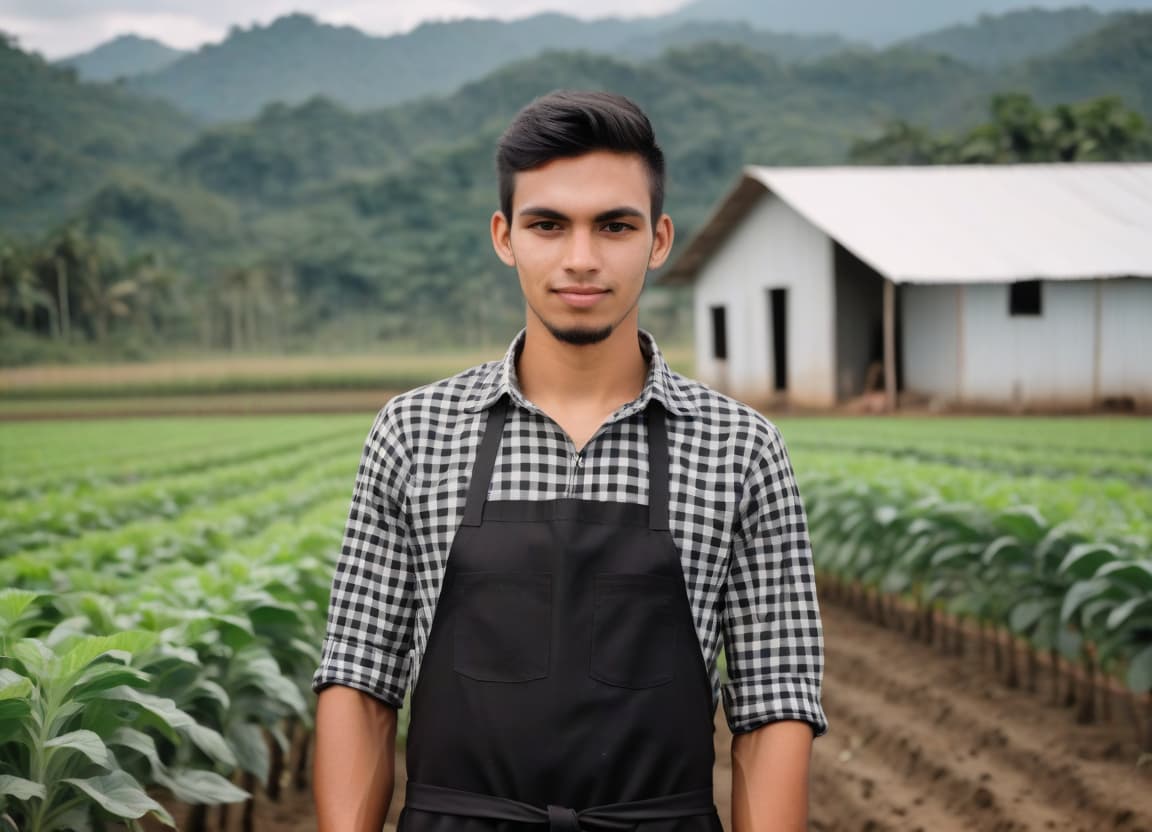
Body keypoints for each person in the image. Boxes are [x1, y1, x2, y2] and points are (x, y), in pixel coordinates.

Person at [311, 90, 827, 832]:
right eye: (548, 225)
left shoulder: (739, 447)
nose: (580, 260)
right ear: (504, 236)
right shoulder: (414, 432)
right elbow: (361, 681)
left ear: (657, 240)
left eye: (614, 226)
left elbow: (774, 703)